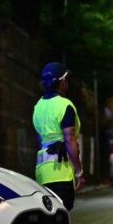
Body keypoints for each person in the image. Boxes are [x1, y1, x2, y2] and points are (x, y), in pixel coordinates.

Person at [32, 62, 85, 210]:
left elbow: (39, 139)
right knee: (62, 217)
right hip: (61, 173)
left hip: (42, 174)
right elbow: (69, 139)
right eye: (66, 80)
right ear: (62, 82)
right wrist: (79, 172)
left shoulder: (38, 107)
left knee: (48, 219)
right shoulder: (64, 105)